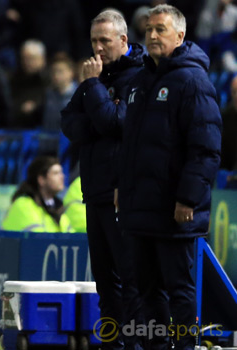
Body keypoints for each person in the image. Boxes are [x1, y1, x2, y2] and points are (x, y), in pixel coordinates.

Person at [118, 5, 222, 350]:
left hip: (174, 208)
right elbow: (131, 146)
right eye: (148, 30)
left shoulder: (193, 82)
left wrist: (188, 198)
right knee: (146, 290)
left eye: (160, 29)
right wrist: (123, 186)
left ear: (180, 35)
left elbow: (205, 148)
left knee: (179, 289)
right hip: (141, 206)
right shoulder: (140, 81)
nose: (152, 36)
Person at [61, 9, 146, 350]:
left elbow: (116, 123)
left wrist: (92, 88)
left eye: (105, 41)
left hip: (120, 193)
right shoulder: (94, 78)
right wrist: (97, 112)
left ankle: (135, 344)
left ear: (123, 40)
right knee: (104, 283)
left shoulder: (139, 76)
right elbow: (68, 123)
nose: (97, 48)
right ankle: (112, 344)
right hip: (94, 191)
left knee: (130, 280)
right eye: (94, 40)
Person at [1, 156, 73, 233]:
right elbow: (37, 241)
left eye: (61, 172)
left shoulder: (58, 206)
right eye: (55, 173)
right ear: (41, 180)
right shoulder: (24, 204)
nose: (62, 176)